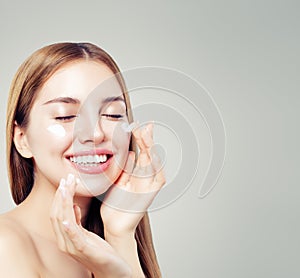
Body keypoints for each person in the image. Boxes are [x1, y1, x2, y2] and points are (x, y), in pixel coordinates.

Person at [0, 42, 165, 277]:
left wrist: (120, 237)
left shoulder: (114, 234)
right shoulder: (5, 247)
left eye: (112, 114)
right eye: (65, 116)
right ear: (22, 139)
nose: (96, 133)